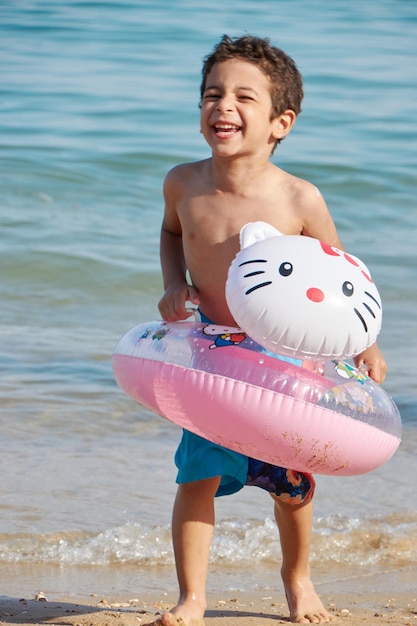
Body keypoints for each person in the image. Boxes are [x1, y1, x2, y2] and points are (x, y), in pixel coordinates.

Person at [153, 34, 387, 625]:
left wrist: (365, 342)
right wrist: (172, 283)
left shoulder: (298, 198)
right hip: (212, 353)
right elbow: (173, 233)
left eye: (242, 97)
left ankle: (298, 580)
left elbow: (341, 279)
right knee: (196, 475)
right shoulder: (183, 183)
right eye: (212, 94)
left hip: (285, 361)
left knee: (292, 485)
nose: (222, 106)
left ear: (281, 121)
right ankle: (193, 598)